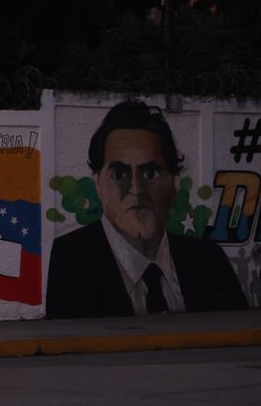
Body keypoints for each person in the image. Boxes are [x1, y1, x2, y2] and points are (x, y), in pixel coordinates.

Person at [47, 100, 247, 318]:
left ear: (175, 185)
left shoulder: (209, 260)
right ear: (97, 185)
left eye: (150, 173)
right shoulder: (71, 259)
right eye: (119, 174)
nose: (136, 189)